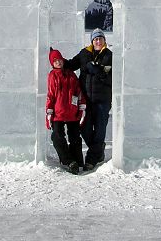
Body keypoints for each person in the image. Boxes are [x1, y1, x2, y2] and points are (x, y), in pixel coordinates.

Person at [66, 28, 113, 169]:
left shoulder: (110, 56)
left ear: (104, 40)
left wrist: (97, 70)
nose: (98, 41)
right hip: (85, 100)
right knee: (84, 128)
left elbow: (112, 79)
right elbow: (70, 65)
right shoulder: (84, 53)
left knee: (99, 131)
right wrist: (55, 57)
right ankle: (99, 150)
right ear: (92, 41)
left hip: (102, 101)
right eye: (95, 39)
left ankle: (91, 160)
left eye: (100, 38)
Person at [45, 48, 86, 174]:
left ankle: (78, 161)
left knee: (75, 137)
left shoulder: (71, 74)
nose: (58, 62)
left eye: (60, 60)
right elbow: (51, 95)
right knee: (57, 137)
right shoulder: (52, 76)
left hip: (72, 113)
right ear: (52, 63)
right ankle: (68, 161)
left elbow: (78, 92)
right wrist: (49, 112)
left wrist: (81, 107)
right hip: (58, 114)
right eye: (55, 60)